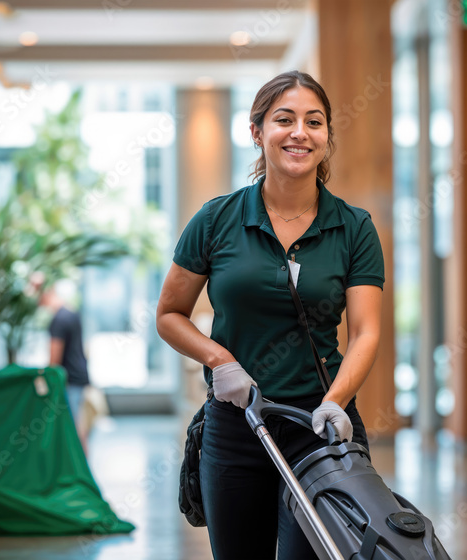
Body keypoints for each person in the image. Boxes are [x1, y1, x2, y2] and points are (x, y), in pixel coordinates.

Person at [155, 70, 385, 559]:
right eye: (285, 119)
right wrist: (221, 361)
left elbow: (366, 332)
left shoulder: (353, 228)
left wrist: (336, 402)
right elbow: (170, 314)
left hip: (319, 429)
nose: (300, 132)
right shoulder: (216, 220)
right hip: (237, 428)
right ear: (257, 132)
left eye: (314, 121)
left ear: (326, 138)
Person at [39, 278, 92, 456]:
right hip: (79, 377)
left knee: (73, 428)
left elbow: (54, 360)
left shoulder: (58, 320)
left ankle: (82, 472)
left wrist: (45, 380)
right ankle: (83, 469)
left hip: (69, 380)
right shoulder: (71, 313)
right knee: (78, 425)